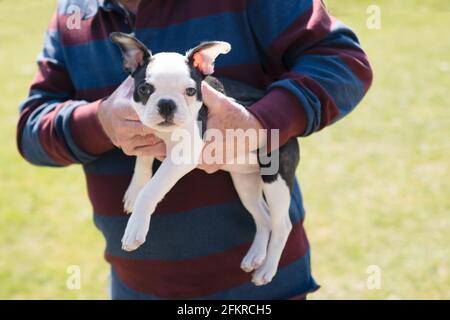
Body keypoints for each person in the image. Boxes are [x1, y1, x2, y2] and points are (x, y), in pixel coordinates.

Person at [17, 0, 372, 299]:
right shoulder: (72, 12)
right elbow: (31, 129)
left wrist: (261, 123)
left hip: (259, 294)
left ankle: (269, 244)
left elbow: (343, 61)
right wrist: (98, 122)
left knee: (262, 199)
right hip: (136, 286)